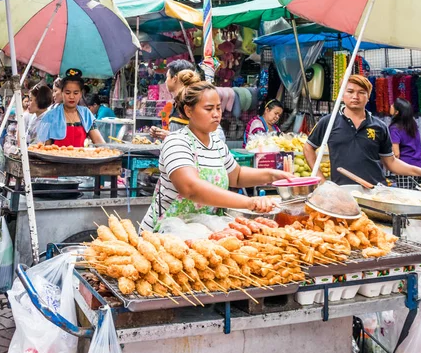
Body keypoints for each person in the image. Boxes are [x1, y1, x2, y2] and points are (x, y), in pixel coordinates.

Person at [140, 70, 292, 232]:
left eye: (218, 108)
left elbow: (237, 176)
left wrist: (273, 175)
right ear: (189, 111)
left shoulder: (217, 144)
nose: (216, 114)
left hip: (199, 232)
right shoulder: (177, 142)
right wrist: (248, 202)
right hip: (164, 234)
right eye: (208, 109)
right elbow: (191, 188)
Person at [304, 74, 421, 186]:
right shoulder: (328, 122)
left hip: (375, 191)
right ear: (342, 95)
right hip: (343, 192)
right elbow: (308, 147)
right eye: (350, 91)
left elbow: (391, 162)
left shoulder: (380, 126)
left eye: (361, 92)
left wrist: (420, 171)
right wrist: (320, 178)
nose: (356, 96)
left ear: (368, 96)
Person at [149, 60, 226, 142]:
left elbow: (215, 137)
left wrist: (170, 136)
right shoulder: (176, 103)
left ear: (174, 79)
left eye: (167, 77)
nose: (165, 81)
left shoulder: (192, 101)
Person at [38, 69, 104, 147]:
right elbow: (45, 148)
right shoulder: (51, 116)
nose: (71, 97)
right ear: (62, 93)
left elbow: (100, 143)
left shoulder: (86, 114)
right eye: (67, 93)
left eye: (76, 93)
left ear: (80, 94)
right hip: (56, 158)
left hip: (80, 158)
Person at [389, 98, 421, 189]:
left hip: (406, 168)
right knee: (420, 198)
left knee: (407, 198)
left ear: (397, 112)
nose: (390, 106)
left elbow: (396, 154)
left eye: (393, 105)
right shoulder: (412, 124)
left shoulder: (394, 128)